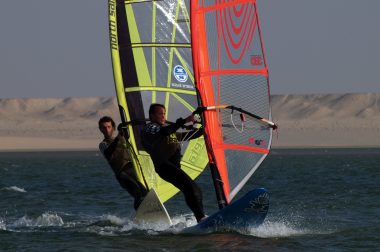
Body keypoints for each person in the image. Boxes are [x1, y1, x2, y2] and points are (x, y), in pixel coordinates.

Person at [141, 104, 207, 223]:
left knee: (190, 190)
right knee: (192, 188)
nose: (163, 116)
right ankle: (201, 218)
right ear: (152, 116)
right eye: (160, 114)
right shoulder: (150, 128)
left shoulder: (169, 131)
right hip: (164, 166)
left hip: (173, 167)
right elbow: (165, 131)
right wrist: (185, 120)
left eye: (164, 113)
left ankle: (200, 218)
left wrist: (203, 125)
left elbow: (188, 135)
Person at [98, 116, 148, 210]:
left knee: (145, 193)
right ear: (100, 129)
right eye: (104, 128)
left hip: (134, 169)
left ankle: (146, 213)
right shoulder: (103, 144)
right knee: (138, 193)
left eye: (109, 127)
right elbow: (109, 153)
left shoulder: (123, 138)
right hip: (123, 174)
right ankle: (140, 216)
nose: (107, 130)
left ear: (113, 127)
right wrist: (119, 136)